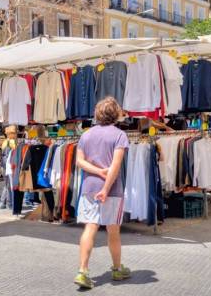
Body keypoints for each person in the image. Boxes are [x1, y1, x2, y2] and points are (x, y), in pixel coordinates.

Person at [74, 97, 131, 290]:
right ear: (116, 113)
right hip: (112, 190)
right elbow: (115, 166)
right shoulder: (119, 135)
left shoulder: (86, 135)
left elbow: (79, 162)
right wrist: (106, 188)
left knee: (90, 227)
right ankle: (116, 268)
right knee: (113, 230)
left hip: (89, 187)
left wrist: (97, 172)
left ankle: (83, 271)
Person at [0, 125, 18, 211]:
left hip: (4, 166)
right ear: (10, 134)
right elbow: (8, 157)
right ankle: (8, 203)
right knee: (9, 185)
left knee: (6, 185)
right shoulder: (10, 142)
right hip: (7, 166)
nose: (15, 134)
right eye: (13, 133)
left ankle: (3, 203)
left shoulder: (5, 142)